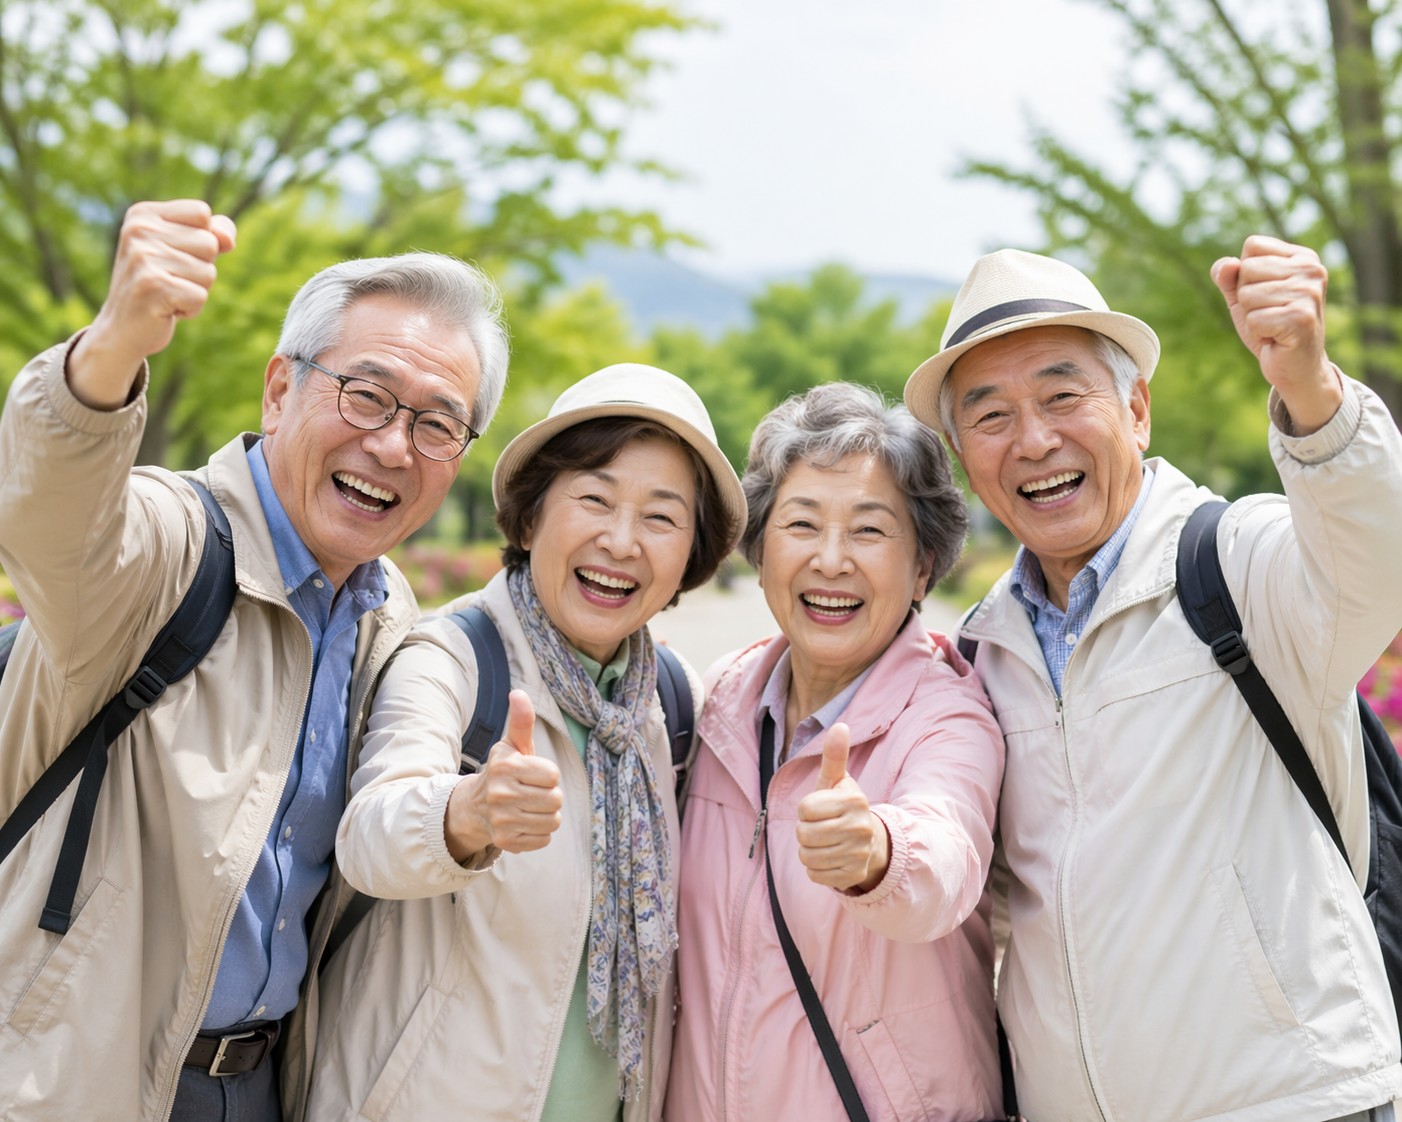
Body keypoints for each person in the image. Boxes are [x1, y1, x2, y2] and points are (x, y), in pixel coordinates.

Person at [0, 199, 509, 1122]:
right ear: (280, 390)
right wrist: (112, 348)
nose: (393, 445)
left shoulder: (385, 618)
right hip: (76, 1075)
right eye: (366, 393)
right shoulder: (170, 547)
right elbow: (54, 517)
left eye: (439, 424)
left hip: (262, 1084)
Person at [902, 236, 1402, 1121]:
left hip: (1291, 1103)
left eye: (1063, 396)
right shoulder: (986, 655)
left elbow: (1377, 562)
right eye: (989, 417)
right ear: (963, 455)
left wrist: (1312, 395)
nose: (1034, 440)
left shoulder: (1238, 567)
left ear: (1135, 409)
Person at [304, 363, 746, 1122]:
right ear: (534, 516)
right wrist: (465, 814)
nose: (621, 541)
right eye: (594, 499)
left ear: (690, 557)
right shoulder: (453, 657)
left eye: (662, 518)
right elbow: (370, 836)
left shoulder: (668, 699)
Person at [665, 382, 1006, 1122]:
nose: (830, 559)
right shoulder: (722, 701)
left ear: (924, 567)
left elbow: (945, 852)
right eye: (801, 524)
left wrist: (880, 853)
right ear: (759, 552)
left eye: (869, 531)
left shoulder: (949, 715)